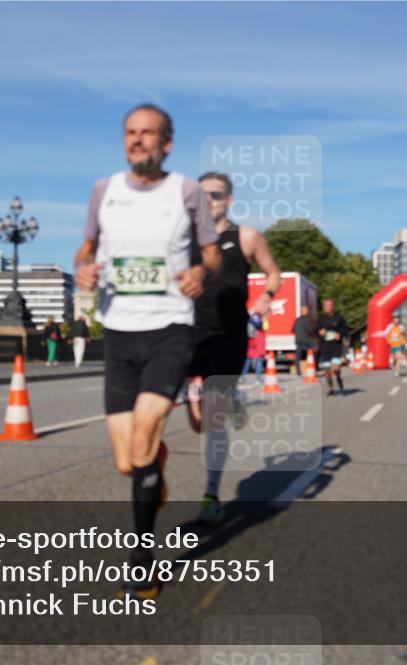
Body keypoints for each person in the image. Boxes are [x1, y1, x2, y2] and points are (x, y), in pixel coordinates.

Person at [73, 103, 220, 600]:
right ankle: (152, 466)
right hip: (118, 334)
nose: (138, 141)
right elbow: (85, 247)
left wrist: (199, 273)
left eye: (148, 133)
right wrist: (84, 268)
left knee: (140, 446)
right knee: (127, 462)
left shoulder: (187, 191)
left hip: (169, 330)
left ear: (167, 143)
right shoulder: (102, 191)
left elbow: (212, 252)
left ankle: (141, 560)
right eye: (130, 133)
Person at [184, 170, 281, 526]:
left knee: (213, 419)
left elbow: (274, 273)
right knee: (196, 423)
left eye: (217, 194)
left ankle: (211, 495)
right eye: (204, 195)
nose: (211, 200)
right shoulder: (184, 240)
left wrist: (267, 296)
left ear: (229, 200)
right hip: (190, 337)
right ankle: (230, 400)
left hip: (229, 336)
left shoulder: (248, 237)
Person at [317, 298, 349, 395]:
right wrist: (319, 332)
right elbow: (315, 331)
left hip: (336, 347)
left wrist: (339, 334)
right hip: (325, 347)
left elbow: (345, 329)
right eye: (325, 306)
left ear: (332, 307)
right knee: (327, 371)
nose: (326, 308)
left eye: (328, 306)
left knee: (335, 368)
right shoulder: (320, 319)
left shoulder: (339, 318)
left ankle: (339, 378)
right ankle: (331, 388)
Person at [242, 311, 267, 384]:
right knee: (259, 360)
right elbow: (265, 327)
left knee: (247, 361)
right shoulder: (260, 329)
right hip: (257, 343)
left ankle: (242, 378)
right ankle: (258, 379)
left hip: (250, 343)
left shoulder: (250, 320)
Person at [292, 304, 316, 377]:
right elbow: (310, 331)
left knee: (298, 358)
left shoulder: (297, 320)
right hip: (306, 342)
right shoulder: (307, 320)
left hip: (298, 341)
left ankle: (298, 372)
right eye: (306, 310)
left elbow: (292, 330)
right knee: (311, 356)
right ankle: (311, 370)